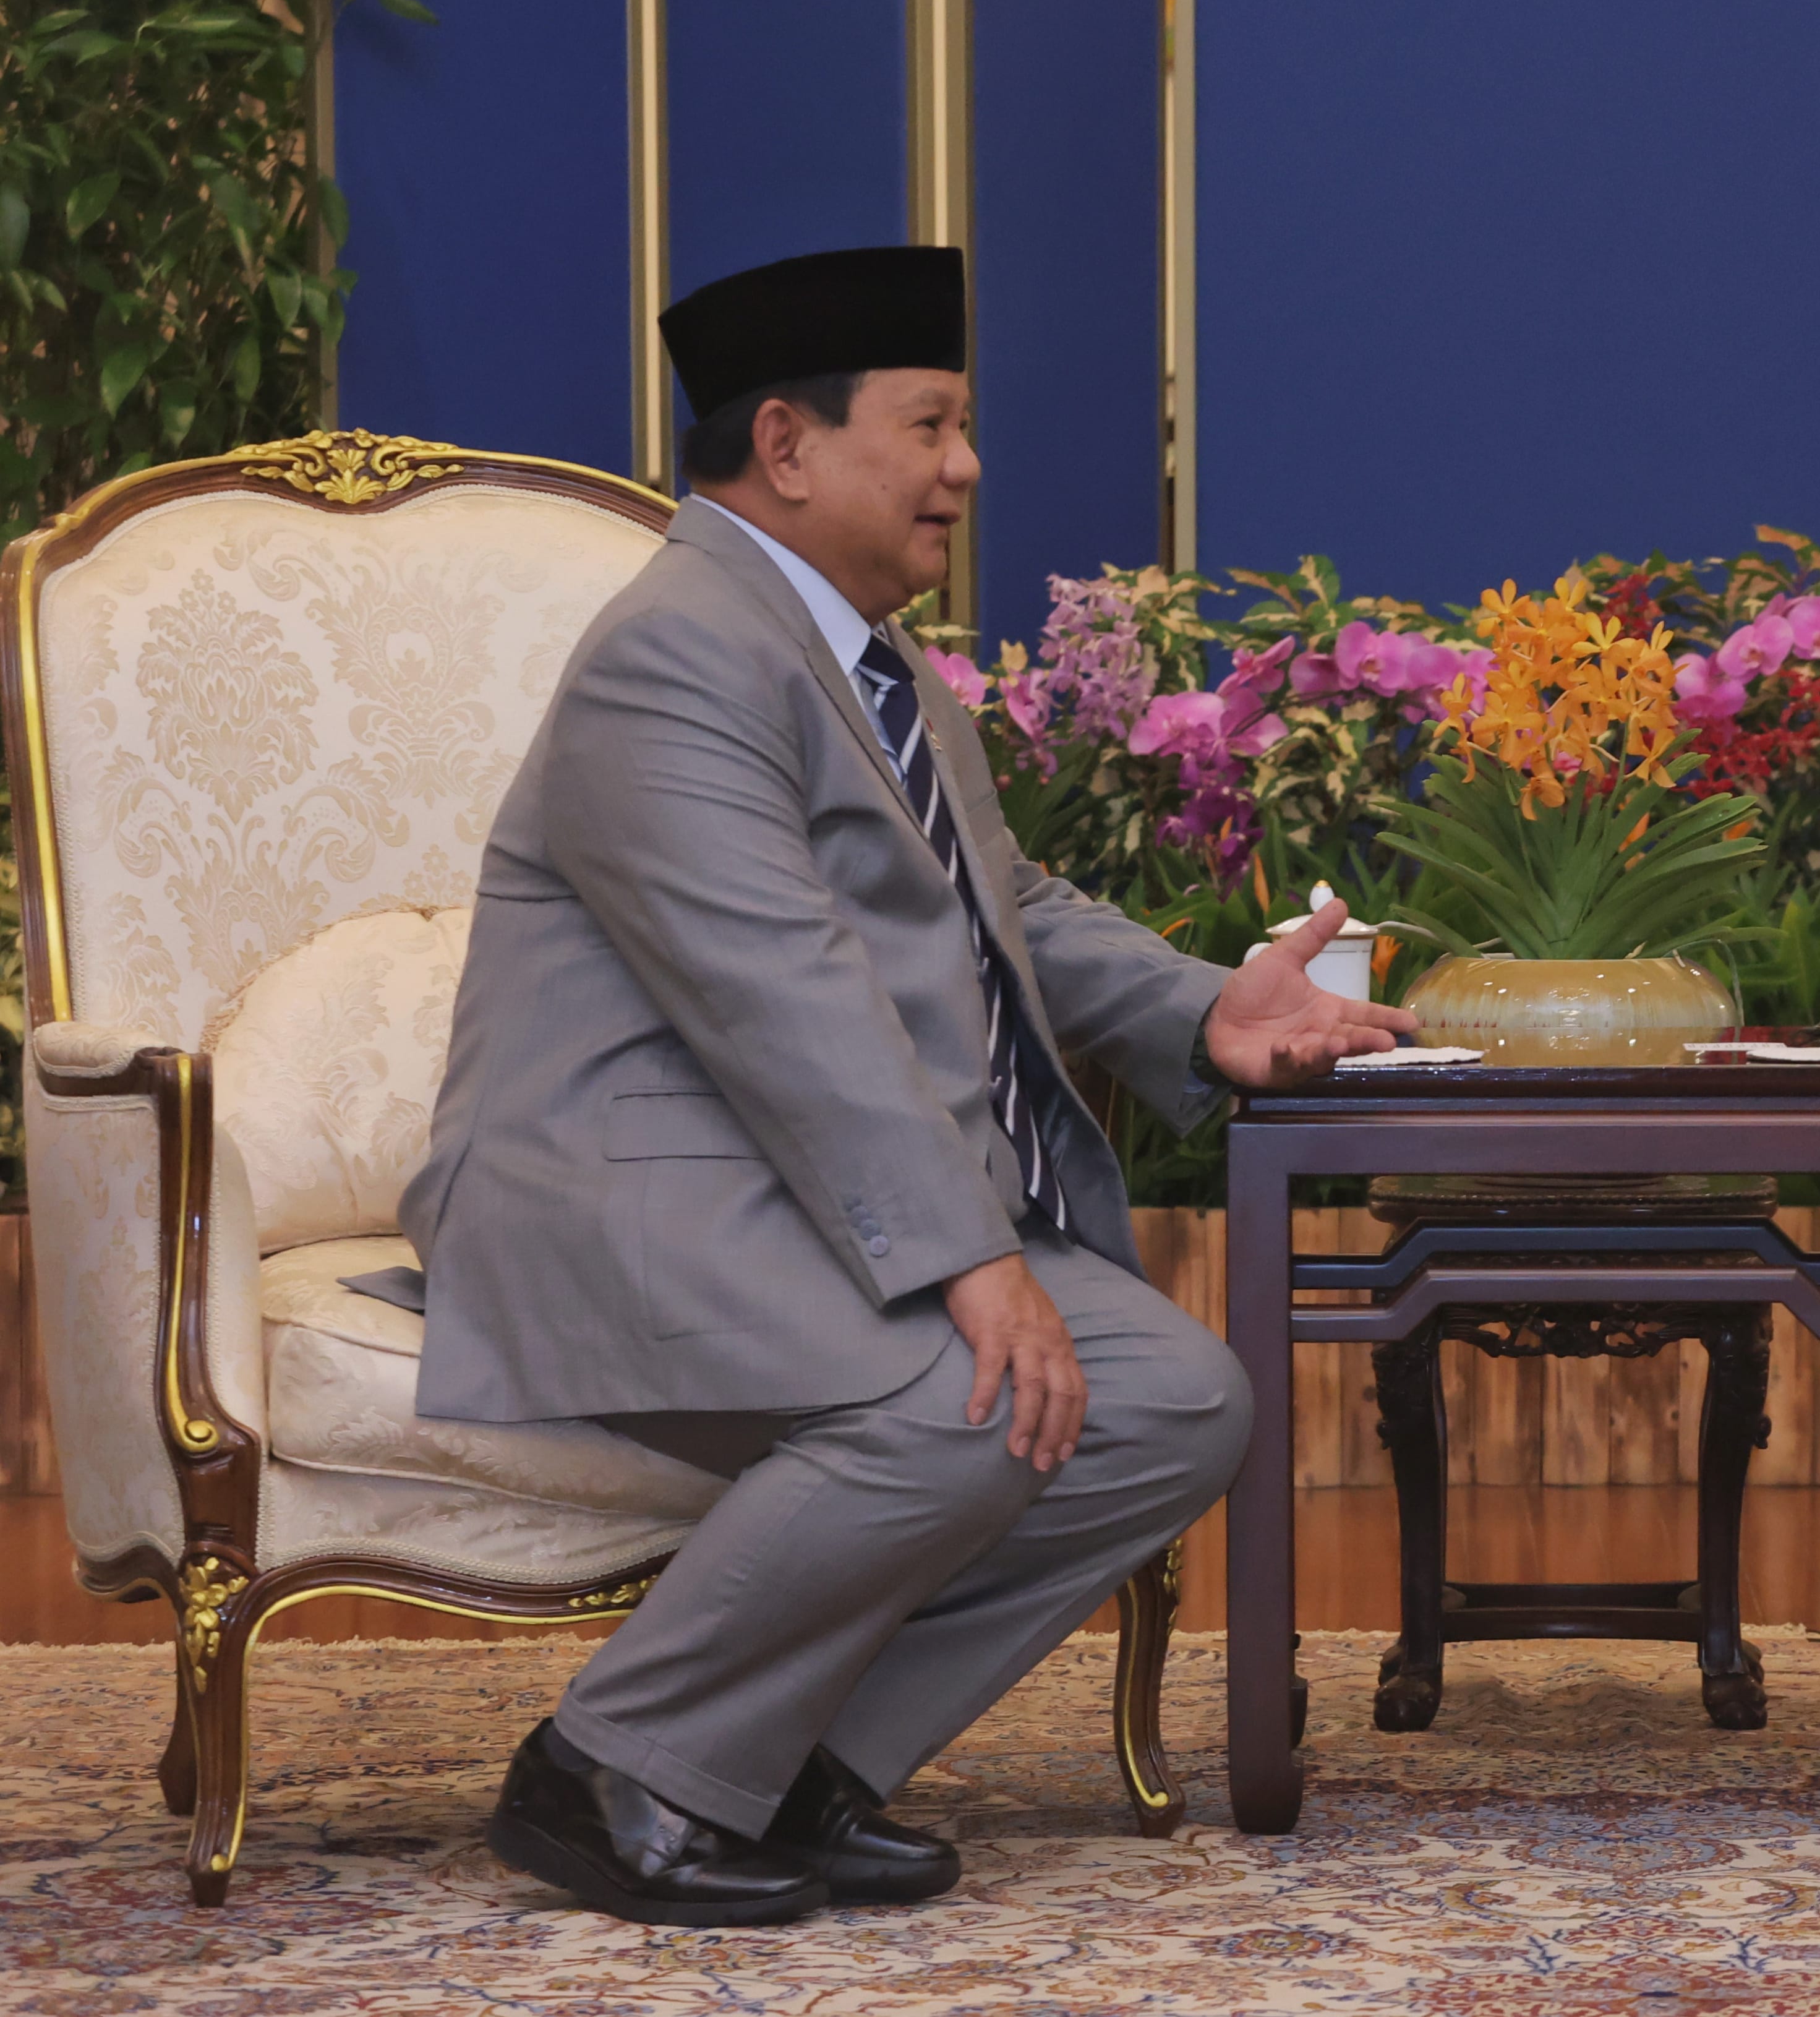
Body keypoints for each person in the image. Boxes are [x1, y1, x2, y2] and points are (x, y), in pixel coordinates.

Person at [349, 246, 1416, 1927]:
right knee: (970, 1397)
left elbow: (1008, 915)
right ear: (786, 444)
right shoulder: (677, 656)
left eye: (964, 425)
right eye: (933, 427)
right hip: (632, 1201)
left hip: (785, 1191)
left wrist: (1206, 1009)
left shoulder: (878, 669)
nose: (967, 470)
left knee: (1176, 1403)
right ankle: (610, 1767)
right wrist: (970, 1266)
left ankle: (781, 1769)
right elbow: (781, 994)